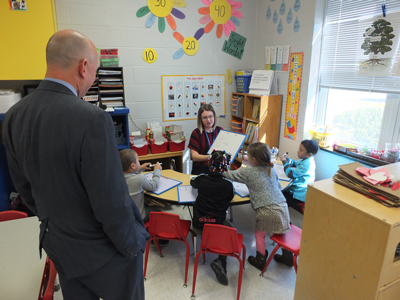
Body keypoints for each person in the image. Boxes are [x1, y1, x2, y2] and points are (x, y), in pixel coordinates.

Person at [2, 30, 149, 300]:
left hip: (60, 245)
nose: (92, 81)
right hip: (104, 252)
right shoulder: (92, 119)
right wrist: (132, 246)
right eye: (93, 73)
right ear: (83, 67)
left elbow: (23, 188)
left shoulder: (13, 116)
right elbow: (111, 200)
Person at [223, 142, 291, 271]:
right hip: (282, 206)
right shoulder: (271, 169)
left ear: (253, 160)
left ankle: (260, 260)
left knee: (259, 235)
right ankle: (288, 257)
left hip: (265, 210)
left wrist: (219, 169)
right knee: (279, 231)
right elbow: (277, 187)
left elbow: (229, 175)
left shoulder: (248, 171)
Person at [190, 150, 235, 286]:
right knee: (229, 230)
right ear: (226, 167)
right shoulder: (228, 184)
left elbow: (192, 182)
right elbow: (230, 197)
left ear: (209, 165)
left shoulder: (202, 179)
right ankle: (221, 261)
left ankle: (218, 261)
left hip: (199, 226)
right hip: (217, 228)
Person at [274, 139, 319, 267]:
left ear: (309, 154)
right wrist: (288, 160)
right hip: (297, 189)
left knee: (279, 201)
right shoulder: (306, 160)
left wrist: (284, 163)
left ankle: (284, 224)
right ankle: (282, 221)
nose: (297, 151)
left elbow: (291, 173)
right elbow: (295, 163)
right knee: (279, 197)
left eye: (300, 150)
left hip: (299, 193)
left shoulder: (307, 163)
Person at [119, 148, 162, 222]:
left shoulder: (118, 177)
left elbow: (130, 175)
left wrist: (140, 168)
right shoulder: (140, 178)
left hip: (126, 215)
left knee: (146, 203)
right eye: (138, 161)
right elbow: (154, 185)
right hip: (138, 217)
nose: (139, 162)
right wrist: (157, 171)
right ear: (133, 166)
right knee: (159, 211)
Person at [188, 104, 223, 175]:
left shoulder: (220, 131)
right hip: (201, 169)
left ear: (214, 117)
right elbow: (194, 157)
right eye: (204, 117)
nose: (208, 120)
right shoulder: (196, 133)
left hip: (217, 168)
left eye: (210, 116)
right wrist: (212, 157)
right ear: (200, 119)